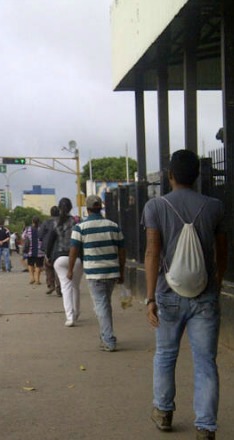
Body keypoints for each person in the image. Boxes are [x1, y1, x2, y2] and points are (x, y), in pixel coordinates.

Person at [142, 149, 226, 438]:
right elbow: (222, 251)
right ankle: (205, 427)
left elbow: (152, 252)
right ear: (198, 176)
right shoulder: (215, 206)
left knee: (165, 355)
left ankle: (164, 412)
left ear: (170, 176)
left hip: (167, 294)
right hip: (205, 296)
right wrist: (216, 280)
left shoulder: (156, 206)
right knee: (205, 362)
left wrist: (150, 298)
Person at [69, 195, 125, 352]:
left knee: (101, 305)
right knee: (105, 304)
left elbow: (73, 251)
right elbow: (122, 251)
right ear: (101, 207)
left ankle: (108, 339)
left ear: (87, 209)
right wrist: (121, 271)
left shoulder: (80, 228)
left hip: (95, 273)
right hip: (112, 272)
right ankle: (105, 335)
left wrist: (70, 270)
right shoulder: (114, 226)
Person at [45, 197, 82, 327]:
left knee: (65, 287)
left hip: (59, 258)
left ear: (59, 208)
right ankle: (76, 313)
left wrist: (48, 256)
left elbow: (49, 242)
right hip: (76, 258)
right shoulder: (76, 222)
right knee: (75, 287)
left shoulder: (55, 223)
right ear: (71, 207)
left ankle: (70, 317)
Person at [39, 206, 61, 295]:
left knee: (48, 267)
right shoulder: (62, 222)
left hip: (48, 248)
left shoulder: (46, 222)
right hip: (60, 248)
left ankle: (51, 285)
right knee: (59, 268)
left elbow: (40, 235)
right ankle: (59, 287)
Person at [22, 216, 45, 285]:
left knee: (30, 264)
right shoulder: (41, 229)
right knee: (38, 265)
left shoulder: (28, 229)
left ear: (32, 221)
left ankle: (32, 278)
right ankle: (37, 279)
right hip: (40, 251)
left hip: (30, 250)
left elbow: (23, 236)